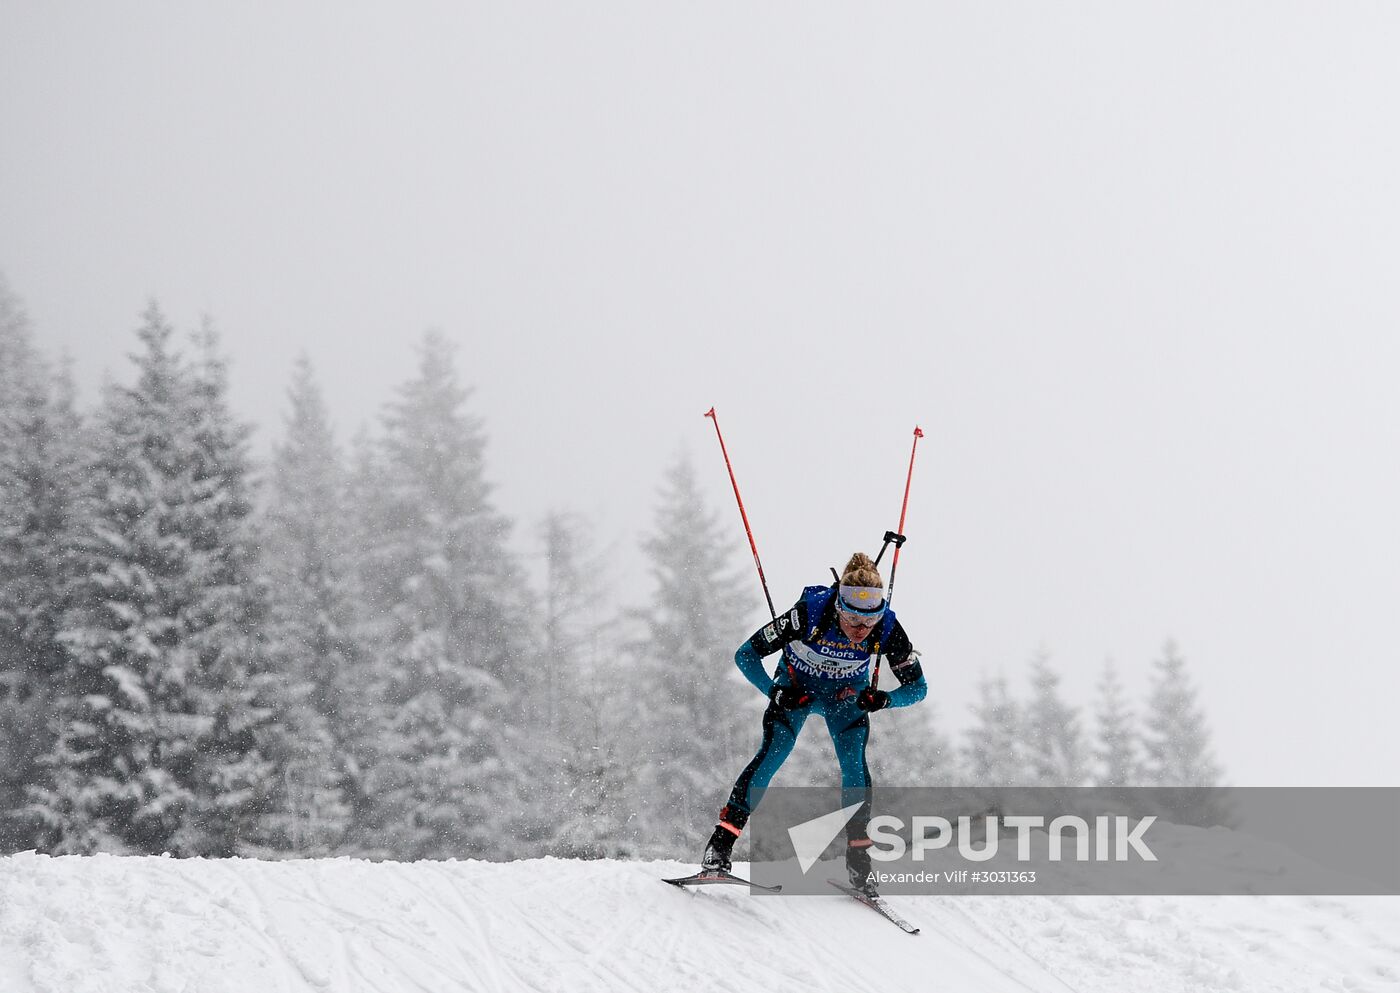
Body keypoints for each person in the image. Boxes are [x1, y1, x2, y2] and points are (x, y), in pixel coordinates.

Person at [699, 551, 927, 895]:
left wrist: (884, 699)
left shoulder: (888, 628)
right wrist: (775, 692)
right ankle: (719, 848)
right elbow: (745, 654)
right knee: (772, 755)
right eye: (852, 620)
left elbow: (918, 688)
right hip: (797, 693)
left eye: (869, 622)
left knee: (855, 768)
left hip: (844, 701)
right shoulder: (808, 614)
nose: (860, 631)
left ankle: (859, 863)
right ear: (838, 606)